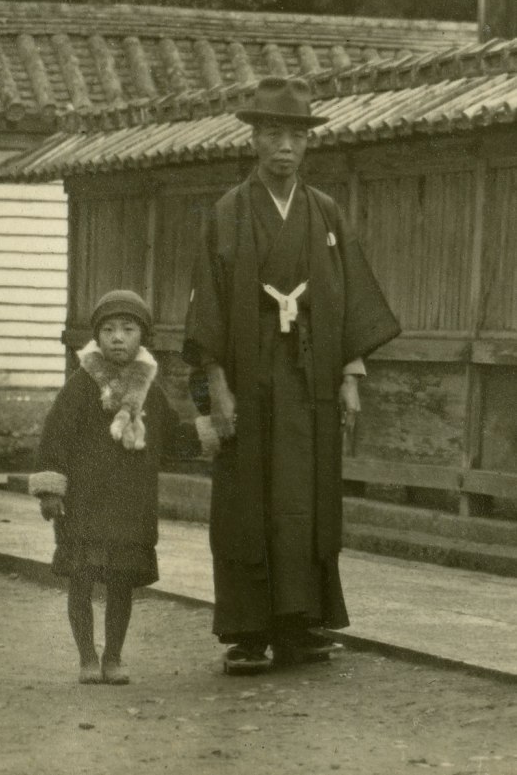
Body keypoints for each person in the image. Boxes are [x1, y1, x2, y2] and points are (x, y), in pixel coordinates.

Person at [183, 76, 401, 674]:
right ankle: (249, 631)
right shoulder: (228, 212)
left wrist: (350, 377)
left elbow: (349, 296)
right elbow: (209, 306)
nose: (285, 146)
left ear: (308, 144)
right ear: (253, 139)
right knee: (247, 501)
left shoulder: (324, 211)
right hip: (249, 372)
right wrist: (217, 387)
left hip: (310, 375)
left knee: (307, 498)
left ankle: (302, 624)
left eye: (296, 136)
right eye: (274, 133)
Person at [30, 290, 212, 685]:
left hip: (131, 506)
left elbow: (171, 438)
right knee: (81, 580)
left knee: (121, 584)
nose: (117, 338)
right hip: (85, 504)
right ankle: (86, 657)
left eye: (128, 329)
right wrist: (51, 489)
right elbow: (55, 437)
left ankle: (113, 656)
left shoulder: (149, 389)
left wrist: (210, 431)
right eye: (109, 330)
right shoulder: (81, 385)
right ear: (97, 336)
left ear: (142, 336)